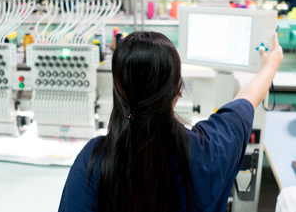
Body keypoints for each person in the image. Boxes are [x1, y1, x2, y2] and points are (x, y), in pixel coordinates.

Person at [59, 31, 283, 212]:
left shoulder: (93, 159)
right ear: (178, 89)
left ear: (118, 91)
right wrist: (270, 66)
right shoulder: (210, 150)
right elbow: (247, 99)